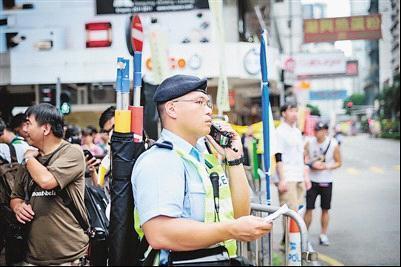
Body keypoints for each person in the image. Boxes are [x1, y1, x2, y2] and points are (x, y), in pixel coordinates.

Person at [131, 75, 272, 265]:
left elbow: (239, 216)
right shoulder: (160, 160)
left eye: (208, 104)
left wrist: (234, 158)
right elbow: (159, 233)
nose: (208, 111)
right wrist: (230, 229)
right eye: (199, 102)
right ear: (172, 109)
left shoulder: (203, 159)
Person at [10, 103, 89, 265]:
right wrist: (18, 207)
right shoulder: (29, 158)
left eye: (28, 124)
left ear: (45, 129)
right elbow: (15, 196)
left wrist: (29, 158)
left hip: (70, 257)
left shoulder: (72, 152)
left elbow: (47, 181)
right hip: (33, 258)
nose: (24, 130)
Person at [275, 103, 311, 244]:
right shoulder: (279, 132)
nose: (295, 113)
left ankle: (292, 241)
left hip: (299, 177)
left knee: (299, 211)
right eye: (291, 110)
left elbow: (300, 157)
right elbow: (278, 157)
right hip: (288, 177)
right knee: (291, 212)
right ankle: (289, 244)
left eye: (296, 110)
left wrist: (305, 176)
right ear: (284, 113)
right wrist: (282, 179)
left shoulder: (297, 132)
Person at [304, 121, 342, 246]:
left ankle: (323, 235)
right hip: (312, 181)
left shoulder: (333, 144)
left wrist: (325, 166)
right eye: (315, 130)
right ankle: (304, 235)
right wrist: (311, 164)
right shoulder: (309, 142)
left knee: (325, 209)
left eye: (319, 130)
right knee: (309, 208)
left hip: (326, 181)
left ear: (325, 131)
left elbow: (339, 162)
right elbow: (304, 158)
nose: (317, 133)